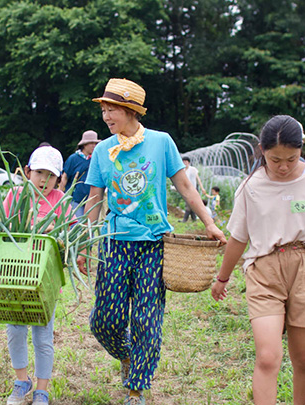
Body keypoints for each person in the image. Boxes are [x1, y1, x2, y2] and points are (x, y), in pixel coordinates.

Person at [78, 78, 226, 405]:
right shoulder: (103, 150)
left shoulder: (161, 142)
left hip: (153, 243)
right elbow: (93, 199)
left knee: (146, 319)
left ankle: (137, 388)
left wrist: (210, 223)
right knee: (104, 320)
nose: (105, 115)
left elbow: (186, 188)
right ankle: (128, 354)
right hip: (114, 243)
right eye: (103, 109)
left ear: (130, 110)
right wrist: (85, 244)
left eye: (111, 108)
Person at [210, 115, 305, 405]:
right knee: (267, 357)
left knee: (303, 356)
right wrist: (222, 277)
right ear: (262, 151)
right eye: (275, 159)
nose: (283, 166)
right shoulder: (251, 187)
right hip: (264, 271)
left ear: (301, 149)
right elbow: (239, 237)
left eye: (291, 158)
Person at [1, 146, 67, 405]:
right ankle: (21, 381)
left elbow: (67, 238)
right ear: (28, 171)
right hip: (15, 278)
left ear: (59, 178)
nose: (44, 180)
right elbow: (4, 228)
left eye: (51, 175)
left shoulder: (61, 199)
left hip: (45, 283)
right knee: (16, 331)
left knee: (43, 336)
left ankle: (42, 389)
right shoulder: (15, 195)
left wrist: (54, 229)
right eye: (39, 172)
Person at [59, 130, 101, 217]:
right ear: (84, 145)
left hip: (90, 199)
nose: (94, 146)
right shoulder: (73, 159)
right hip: (75, 199)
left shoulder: (95, 159)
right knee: (76, 224)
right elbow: (65, 176)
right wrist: (60, 194)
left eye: (95, 143)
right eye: (91, 143)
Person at [181, 156, 206, 222]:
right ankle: (193, 219)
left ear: (189, 162)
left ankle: (185, 219)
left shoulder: (193, 169)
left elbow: (198, 179)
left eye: (186, 162)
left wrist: (202, 188)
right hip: (186, 189)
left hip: (193, 188)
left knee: (189, 203)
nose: (185, 163)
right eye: (183, 162)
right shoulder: (182, 170)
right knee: (190, 203)